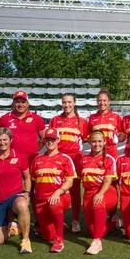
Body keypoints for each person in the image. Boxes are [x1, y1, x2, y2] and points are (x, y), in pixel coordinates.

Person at [30, 128, 76, 253]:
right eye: (47, 139)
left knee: (55, 204)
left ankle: (59, 240)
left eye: (53, 139)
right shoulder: (37, 159)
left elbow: (70, 181)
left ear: (58, 140)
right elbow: (33, 180)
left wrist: (58, 192)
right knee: (47, 236)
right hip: (41, 200)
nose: (50, 142)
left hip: (59, 197)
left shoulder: (65, 159)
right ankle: (58, 224)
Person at [48, 93, 88, 233]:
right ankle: (59, 217)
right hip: (58, 159)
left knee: (75, 190)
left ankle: (75, 219)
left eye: (70, 102)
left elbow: (86, 139)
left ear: (75, 103)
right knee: (57, 188)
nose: (67, 105)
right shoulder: (55, 120)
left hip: (75, 159)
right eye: (64, 102)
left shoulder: (82, 121)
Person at [81, 130, 118, 255]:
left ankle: (97, 242)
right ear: (89, 142)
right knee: (94, 229)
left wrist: (100, 193)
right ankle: (113, 224)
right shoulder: (84, 159)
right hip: (88, 194)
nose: (97, 144)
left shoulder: (109, 159)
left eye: (99, 141)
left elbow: (108, 181)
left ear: (104, 142)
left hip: (106, 191)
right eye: (94, 141)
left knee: (98, 203)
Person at [0, 90, 45, 166]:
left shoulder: (37, 119)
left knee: (30, 178)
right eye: (17, 102)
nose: (20, 104)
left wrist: (34, 150)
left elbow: (43, 138)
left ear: (28, 104)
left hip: (31, 159)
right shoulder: (4, 119)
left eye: (23, 102)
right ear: (13, 103)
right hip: (10, 160)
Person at [87, 90, 122, 158]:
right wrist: (96, 144)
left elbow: (122, 135)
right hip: (96, 152)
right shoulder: (91, 117)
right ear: (97, 102)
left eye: (104, 100)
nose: (102, 103)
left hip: (112, 153)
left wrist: (114, 140)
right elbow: (88, 137)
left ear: (109, 102)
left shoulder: (116, 117)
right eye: (100, 100)